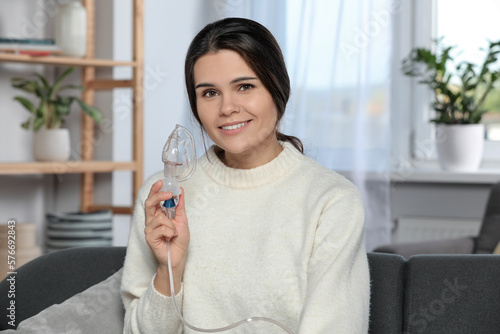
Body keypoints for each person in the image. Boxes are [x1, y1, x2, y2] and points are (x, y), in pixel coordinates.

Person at [121, 17, 370, 333]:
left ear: (277, 88)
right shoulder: (162, 198)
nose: (227, 108)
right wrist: (169, 270)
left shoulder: (331, 201)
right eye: (209, 93)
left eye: (245, 86)